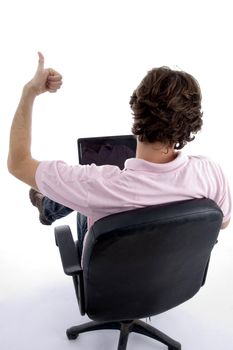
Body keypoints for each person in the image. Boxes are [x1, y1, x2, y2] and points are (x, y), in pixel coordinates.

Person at [8, 53, 231, 258]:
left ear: (136, 113)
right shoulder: (210, 172)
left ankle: (48, 206)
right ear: (190, 123)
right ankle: (48, 205)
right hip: (174, 278)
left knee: (85, 197)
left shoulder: (99, 184)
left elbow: (18, 163)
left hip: (107, 289)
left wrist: (30, 91)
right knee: (89, 193)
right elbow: (220, 224)